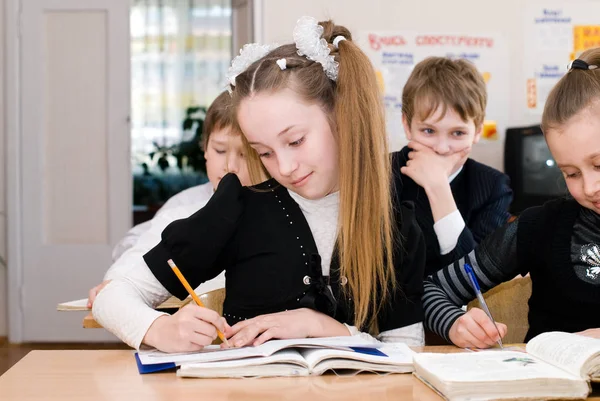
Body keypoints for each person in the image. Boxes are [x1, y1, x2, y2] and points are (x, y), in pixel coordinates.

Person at [92, 16, 426, 352]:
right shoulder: (236, 209)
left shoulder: (395, 224)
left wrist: (321, 327)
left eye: (295, 141)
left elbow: (407, 349)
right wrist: (159, 329)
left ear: (343, 117)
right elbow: (111, 297)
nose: (284, 167)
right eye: (263, 152)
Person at [423, 49, 600, 348]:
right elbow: (431, 291)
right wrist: (454, 323)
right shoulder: (539, 227)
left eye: (599, 165)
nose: (590, 186)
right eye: (571, 173)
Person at [87, 91, 254, 307]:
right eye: (220, 150)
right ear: (205, 150)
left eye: (245, 154)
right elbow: (143, 252)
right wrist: (117, 281)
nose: (230, 166)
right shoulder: (183, 207)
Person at [393, 56, 513, 277]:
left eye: (457, 133)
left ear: (477, 131)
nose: (442, 148)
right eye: (429, 131)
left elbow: (475, 277)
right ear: (407, 126)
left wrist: (438, 188)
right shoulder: (378, 174)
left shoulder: (493, 188)